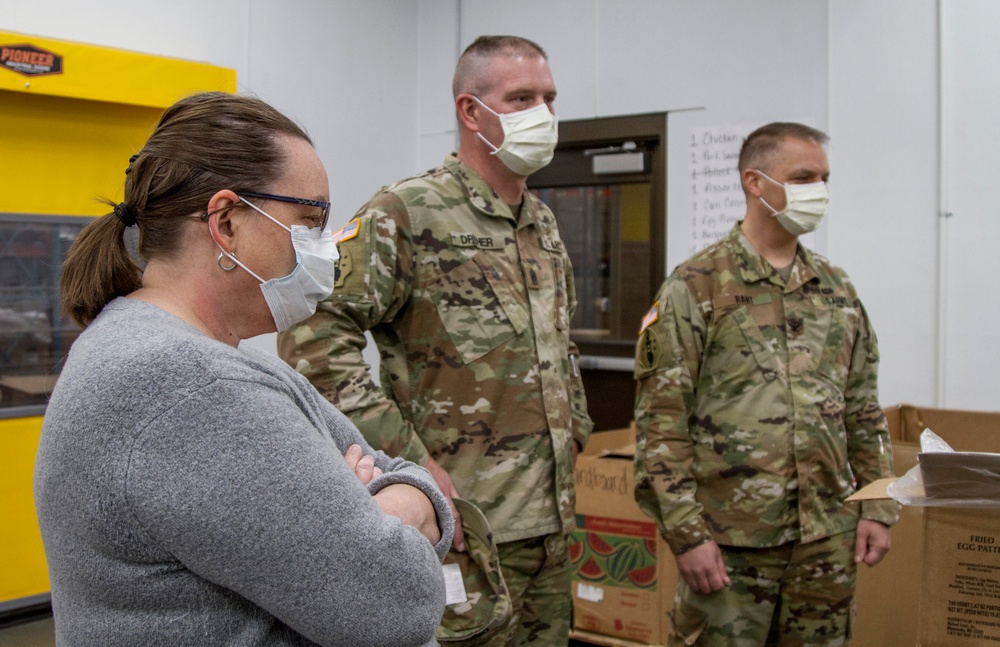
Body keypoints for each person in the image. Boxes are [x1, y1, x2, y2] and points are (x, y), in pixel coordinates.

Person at [34, 92, 452, 647]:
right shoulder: (190, 387)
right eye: (309, 220)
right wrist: (380, 510)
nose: (325, 249)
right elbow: (398, 606)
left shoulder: (172, 351)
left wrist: (384, 505)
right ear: (226, 222)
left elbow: (394, 473)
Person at [278, 35, 593, 645]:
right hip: (464, 523)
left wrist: (574, 428)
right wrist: (409, 459)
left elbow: (559, 344)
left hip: (550, 524)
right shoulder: (408, 212)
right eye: (522, 97)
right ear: (471, 111)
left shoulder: (543, 223)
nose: (543, 115)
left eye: (550, 98)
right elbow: (312, 334)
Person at [632, 122, 899, 646]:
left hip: (826, 537)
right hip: (730, 543)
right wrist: (687, 536)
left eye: (824, 178)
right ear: (755, 182)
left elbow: (863, 409)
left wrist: (879, 505)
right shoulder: (696, 285)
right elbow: (661, 426)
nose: (818, 190)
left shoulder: (836, 287)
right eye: (803, 177)